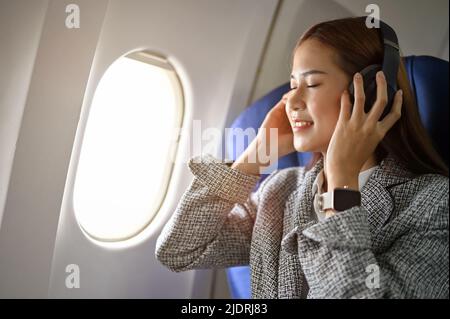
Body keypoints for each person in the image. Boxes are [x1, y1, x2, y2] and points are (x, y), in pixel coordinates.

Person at [155, 17, 449, 298]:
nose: (291, 102)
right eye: (293, 85)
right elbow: (178, 250)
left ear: (370, 95)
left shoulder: (434, 204)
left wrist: (342, 185)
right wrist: (256, 155)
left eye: (311, 85)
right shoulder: (281, 192)